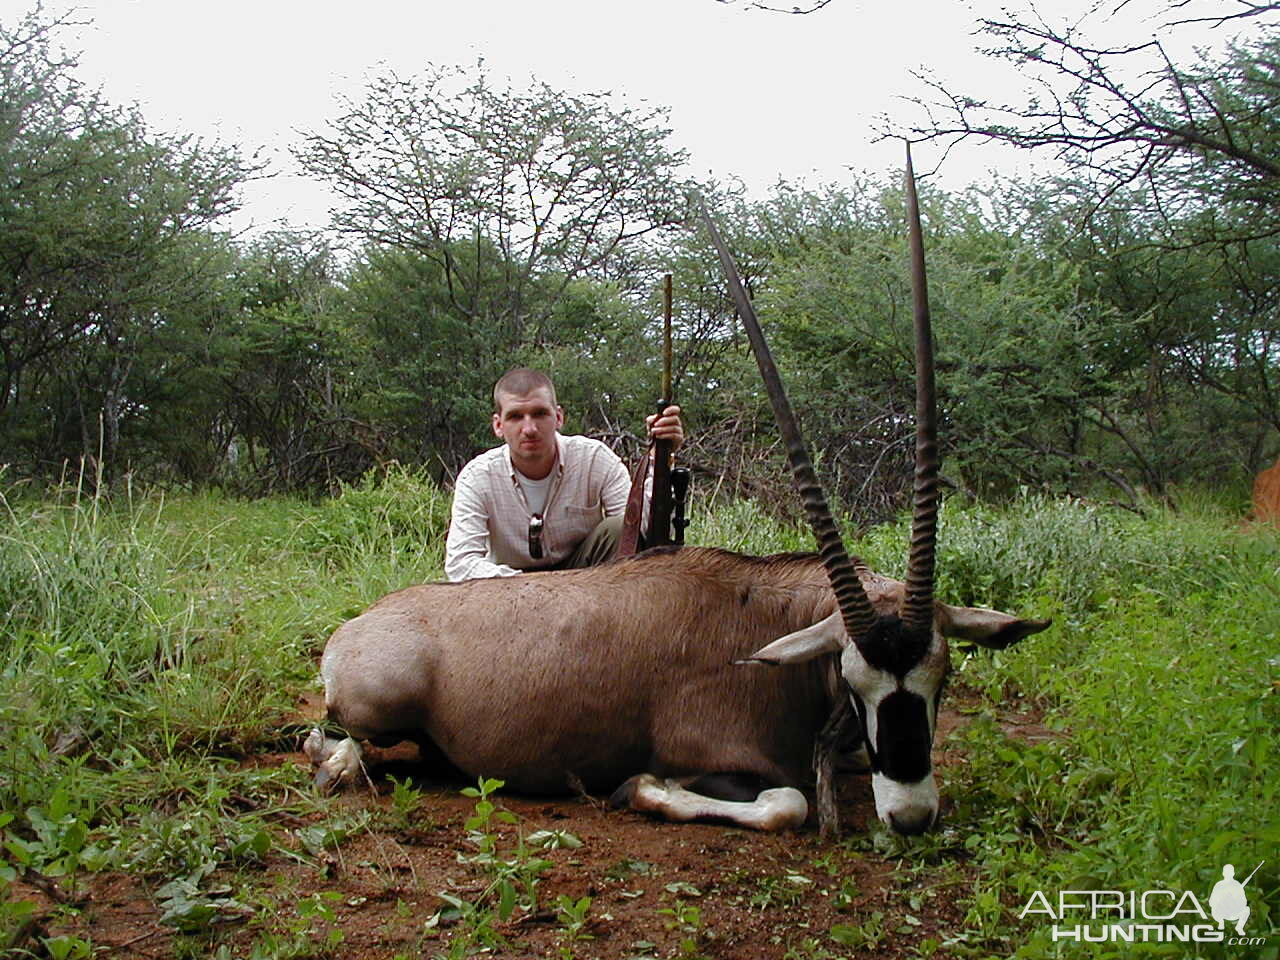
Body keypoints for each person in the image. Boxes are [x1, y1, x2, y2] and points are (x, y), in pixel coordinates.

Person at [444, 367, 683, 581]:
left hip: (585, 578)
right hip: (509, 588)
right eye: (516, 416)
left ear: (558, 417)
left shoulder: (595, 458)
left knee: (618, 528)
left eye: (539, 414)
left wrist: (660, 459)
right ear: (498, 425)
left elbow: (640, 533)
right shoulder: (477, 477)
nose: (529, 429)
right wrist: (531, 587)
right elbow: (460, 564)